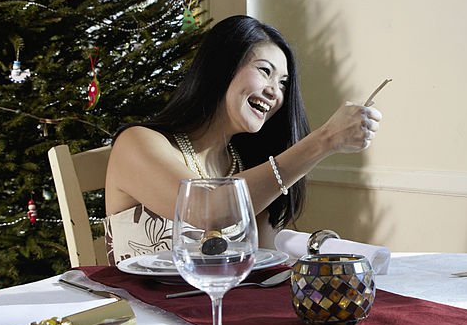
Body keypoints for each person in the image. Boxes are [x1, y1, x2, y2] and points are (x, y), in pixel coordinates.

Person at [104, 15, 382, 264]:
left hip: (218, 312)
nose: (276, 92)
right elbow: (207, 210)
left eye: (283, 83)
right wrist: (324, 140)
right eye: (265, 71)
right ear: (221, 68)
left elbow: (269, 259)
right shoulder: (136, 142)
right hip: (142, 316)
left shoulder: (243, 165)